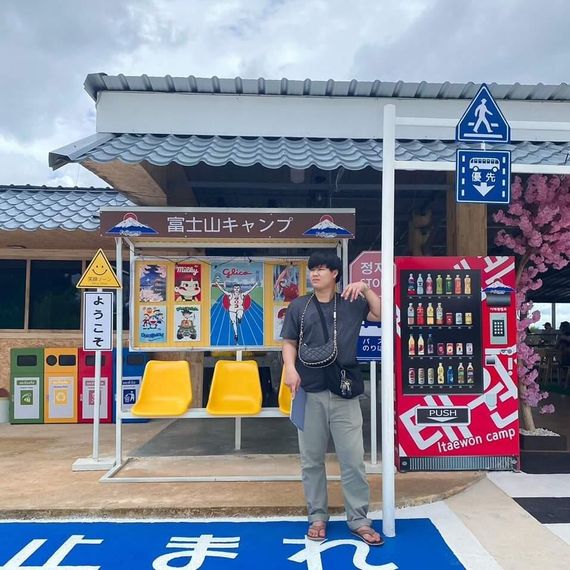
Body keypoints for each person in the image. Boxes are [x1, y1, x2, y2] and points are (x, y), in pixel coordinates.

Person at [281, 251, 383, 546]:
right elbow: (289, 341)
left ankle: (359, 519)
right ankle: (317, 516)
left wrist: (366, 288)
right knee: (311, 460)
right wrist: (290, 368)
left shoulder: (351, 302)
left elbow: (383, 314)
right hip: (308, 390)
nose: (315, 273)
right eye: (313, 269)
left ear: (335, 274)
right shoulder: (299, 306)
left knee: (352, 459)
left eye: (322, 269)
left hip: (345, 391)